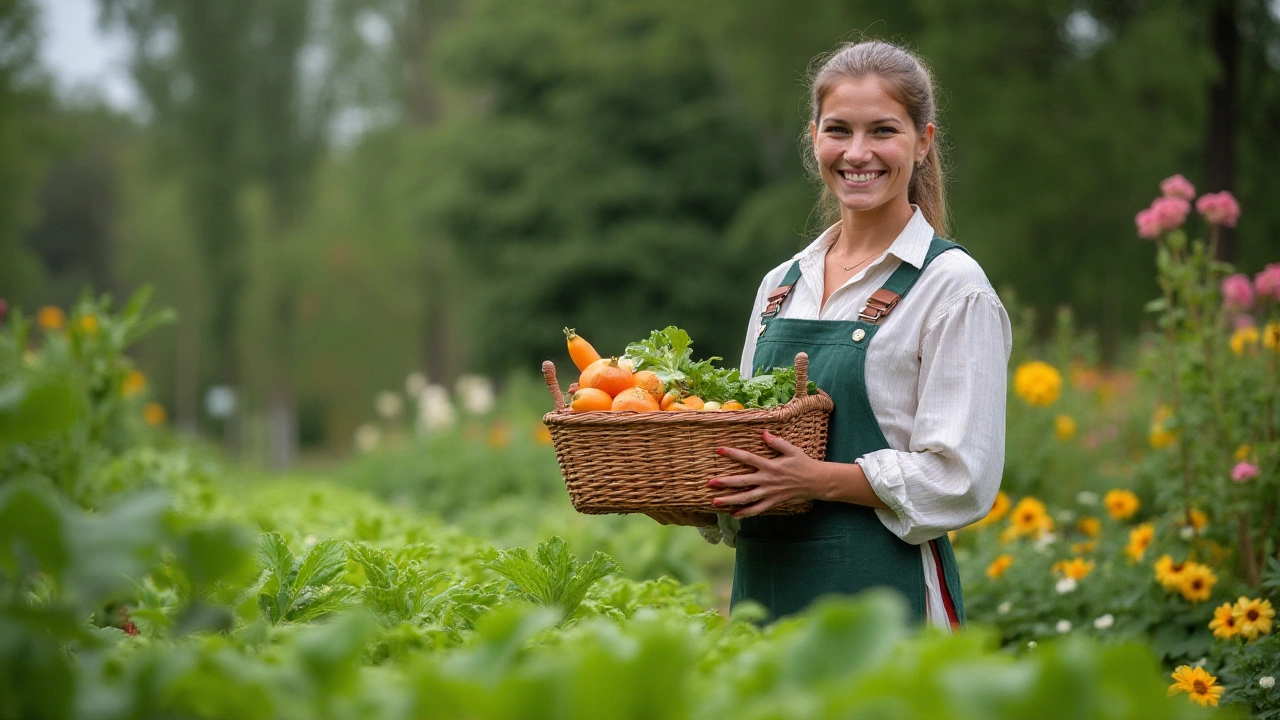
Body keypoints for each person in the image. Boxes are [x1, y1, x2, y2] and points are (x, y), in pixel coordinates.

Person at [650, 39, 1011, 629]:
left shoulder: (953, 287)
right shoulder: (780, 286)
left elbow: (961, 478)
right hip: (766, 596)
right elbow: (754, 445)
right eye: (839, 130)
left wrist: (818, 480)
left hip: (884, 602)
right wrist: (698, 501)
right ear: (814, 135)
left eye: (883, 131)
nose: (858, 152)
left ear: (922, 143)